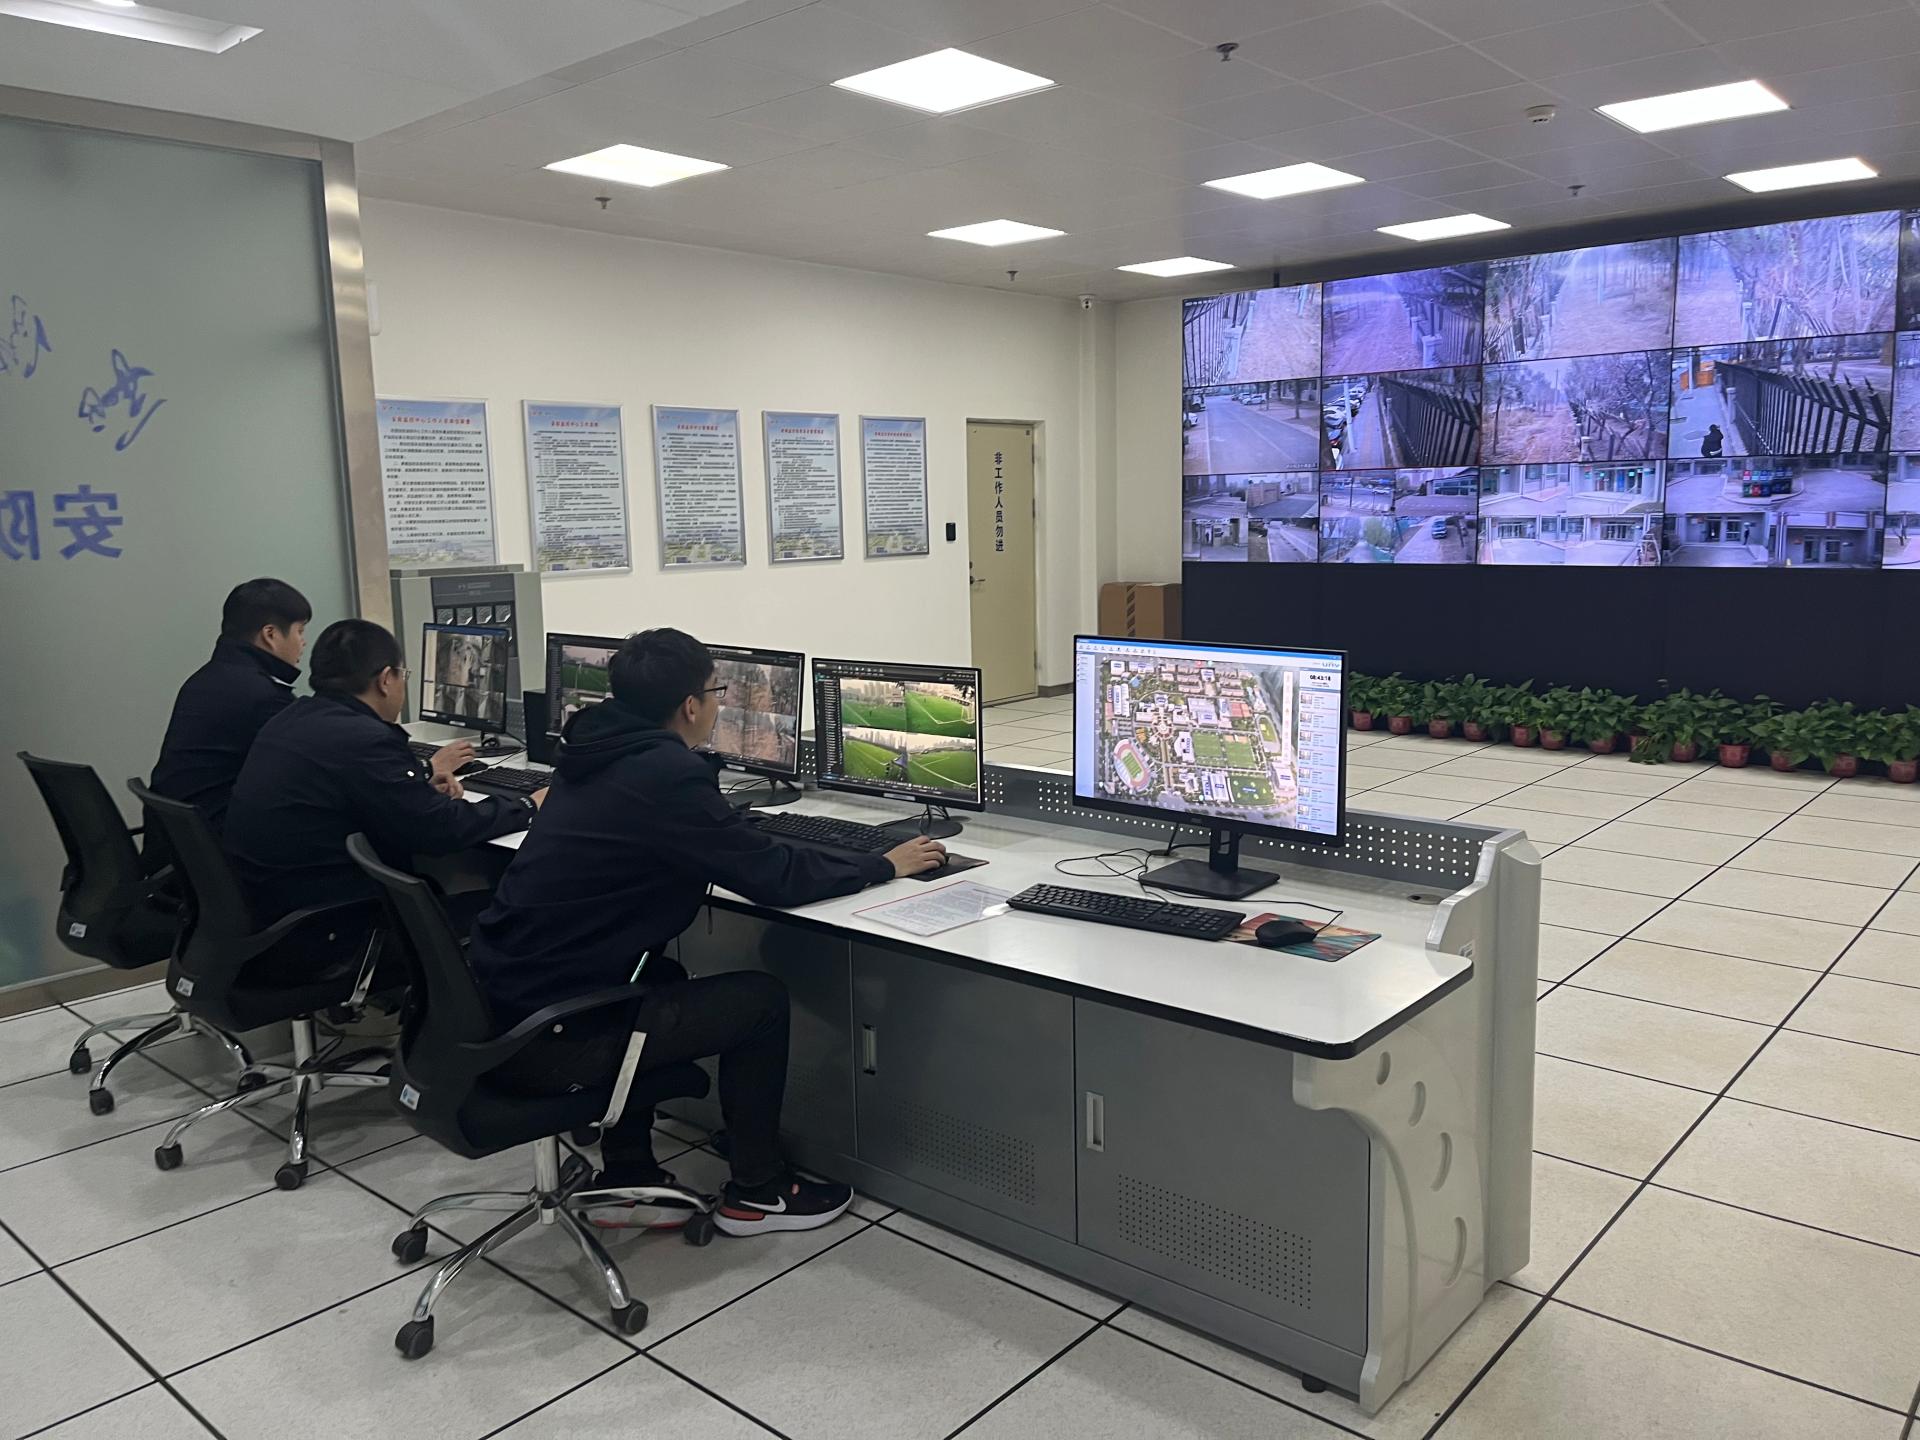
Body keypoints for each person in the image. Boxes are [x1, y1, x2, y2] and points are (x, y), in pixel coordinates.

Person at [467, 628, 946, 1237]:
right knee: (760, 1002)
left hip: (503, 1009)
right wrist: (882, 864)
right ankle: (758, 1192)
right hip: (553, 1037)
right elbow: (772, 877)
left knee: (659, 974)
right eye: (717, 693)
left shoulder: (589, 752)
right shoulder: (664, 772)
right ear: (691, 706)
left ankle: (629, 1174)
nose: (719, 705)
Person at [223, 619, 542, 926]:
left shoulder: (292, 718)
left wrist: (415, 788)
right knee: (524, 907)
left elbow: (356, 793)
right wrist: (528, 805)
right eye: (403, 675)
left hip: (273, 906)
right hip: (328, 923)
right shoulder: (363, 739)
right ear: (386, 679)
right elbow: (439, 829)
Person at [149, 578, 312, 837]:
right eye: (299, 631)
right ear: (270, 635)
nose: (303, 642)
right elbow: (311, 768)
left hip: (181, 843)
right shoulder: (262, 696)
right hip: (219, 842)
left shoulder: (205, 680)